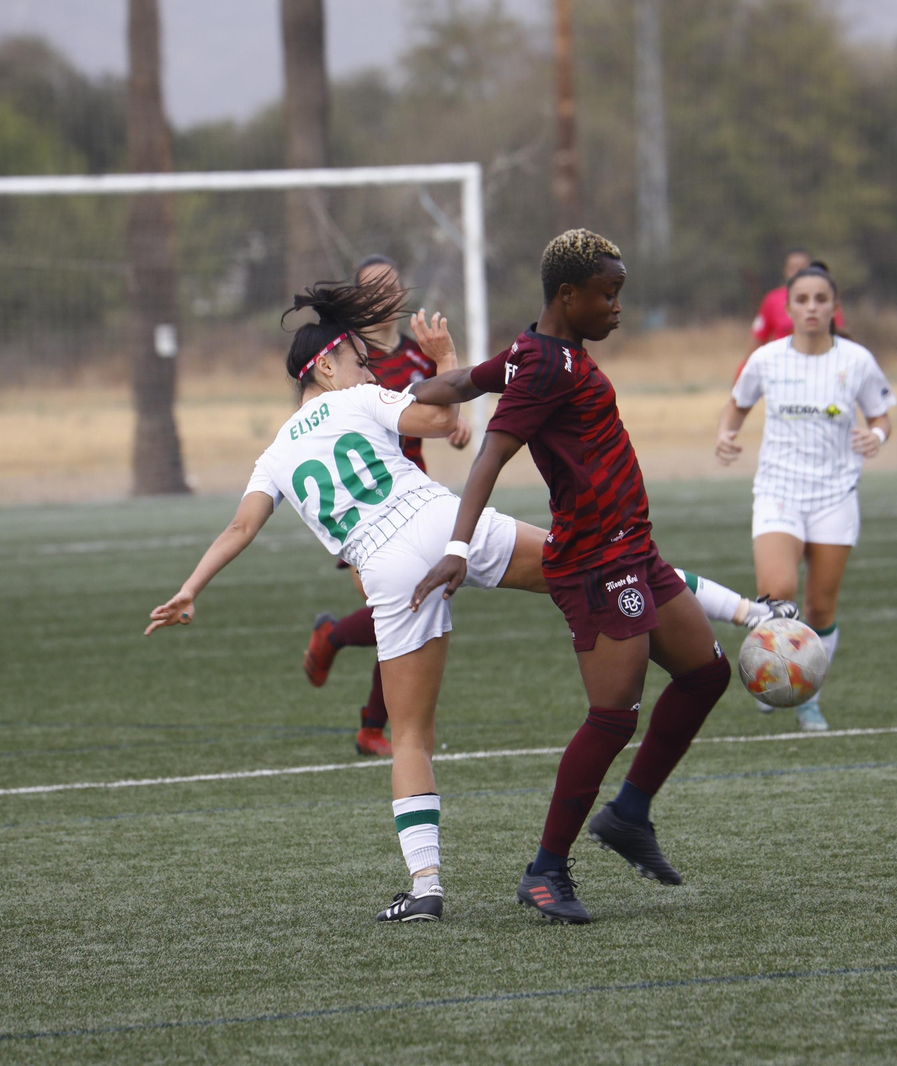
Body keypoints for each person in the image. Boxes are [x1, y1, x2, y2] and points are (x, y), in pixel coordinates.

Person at [146, 280, 543, 924]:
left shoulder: (273, 456)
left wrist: (191, 587)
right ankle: (729, 617)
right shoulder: (358, 397)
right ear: (325, 365)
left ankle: (425, 889)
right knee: (585, 566)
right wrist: (443, 359)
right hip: (436, 520)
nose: (369, 368)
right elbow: (445, 421)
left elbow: (239, 529)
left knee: (410, 735)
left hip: (383, 566)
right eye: (360, 359)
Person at [411, 230, 774, 925]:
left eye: (620, 295)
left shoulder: (540, 353)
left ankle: (629, 814)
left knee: (704, 674)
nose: (616, 308)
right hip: (596, 563)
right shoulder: (544, 367)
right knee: (613, 715)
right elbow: (489, 457)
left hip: (633, 548)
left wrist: (420, 384)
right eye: (607, 296)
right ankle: (546, 870)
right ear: (567, 296)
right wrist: (458, 546)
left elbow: (460, 385)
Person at [302, 255, 472, 759]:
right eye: (371, 290)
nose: (383, 298)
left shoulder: (419, 357)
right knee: (397, 608)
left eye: (390, 287)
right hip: (363, 503)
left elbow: (439, 410)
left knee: (414, 604)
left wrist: (456, 428)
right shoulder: (349, 360)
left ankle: (370, 722)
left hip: (412, 501)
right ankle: (343, 662)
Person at [715, 261, 896, 731]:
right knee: (779, 597)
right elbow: (737, 405)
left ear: (835, 306)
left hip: (835, 495)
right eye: (803, 299)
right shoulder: (767, 359)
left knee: (819, 608)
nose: (812, 307)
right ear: (788, 307)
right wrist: (726, 435)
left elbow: (881, 415)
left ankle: (808, 694)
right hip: (779, 491)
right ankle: (773, 678)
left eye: (821, 299)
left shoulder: (855, 360)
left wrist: (877, 436)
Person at [749, 247, 846, 348]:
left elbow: (839, 332)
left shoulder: (825, 297)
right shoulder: (772, 299)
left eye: (802, 268)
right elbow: (758, 337)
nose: (811, 308)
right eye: (792, 268)